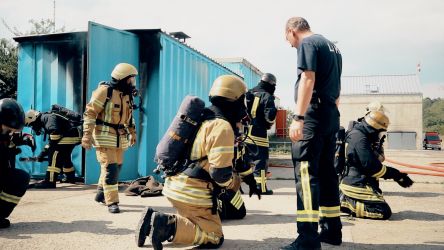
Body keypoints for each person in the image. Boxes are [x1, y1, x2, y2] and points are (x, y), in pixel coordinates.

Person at [135, 75, 247, 249]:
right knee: (214, 237)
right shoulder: (222, 127)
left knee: (194, 223)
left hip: (174, 186)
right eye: (242, 100)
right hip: (193, 193)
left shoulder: (201, 117)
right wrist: (232, 183)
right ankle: (165, 225)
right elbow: (220, 174)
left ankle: (152, 218)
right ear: (235, 100)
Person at [283, 17, 343, 250]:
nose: (289, 44)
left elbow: (308, 78)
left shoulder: (308, 44)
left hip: (313, 115)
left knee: (306, 175)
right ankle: (331, 230)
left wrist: (298, 117)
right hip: (330, 115)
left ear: (292, 31)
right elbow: (337, 87)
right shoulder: (334, 48)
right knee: (328, 173)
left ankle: (308, 238)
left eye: (287, 39)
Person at [81, 62, 138, 214]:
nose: (133, 83)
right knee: (111, 168)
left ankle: (100, 194)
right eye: (131, 79)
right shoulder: (104, 91)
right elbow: (90, 113)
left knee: (116, 167)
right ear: (122, 78)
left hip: (120, 137)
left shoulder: (127, 96)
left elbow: (129, 117)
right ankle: (111, 201)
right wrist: (86, 135)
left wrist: (133, 132)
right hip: (104, 136)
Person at [340, 111, 413, 219]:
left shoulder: (359, 134)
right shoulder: (360, 138)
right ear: (373, 128)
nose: (379, 135)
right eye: (380, 131)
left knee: (379, 202)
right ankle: (347, 203)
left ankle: (346, 200)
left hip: (360, 179)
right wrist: (396, 175)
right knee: (383, 212)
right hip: (356, 182)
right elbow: (372, 168)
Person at [24, 108, 81, 188]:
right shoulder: (46, 117)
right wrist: (43, 154)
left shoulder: (46, 118)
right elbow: (53, 140)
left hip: (68, 137)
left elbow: (54, 134)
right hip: (73, 136)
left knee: (54, 155)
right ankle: (70, 177)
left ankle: (50, 181)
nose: (33, 127)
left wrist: (45, 152)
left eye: (31, 124)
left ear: (33, 119)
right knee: (65, 156)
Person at [244, 73, 278, 195]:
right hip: (259, 132)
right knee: (261, 160)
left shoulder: (249, 93)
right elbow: (270, 117)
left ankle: (237, 187)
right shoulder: (267, 96)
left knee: (243, 159)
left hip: (245, 132)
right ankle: (260, 188)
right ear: (271, 84)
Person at [0, 98, 31, 228]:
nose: (10, 133)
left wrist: (23, 139)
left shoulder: (5, 136)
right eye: (8, 130)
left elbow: (8, 142)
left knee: (19, 178)